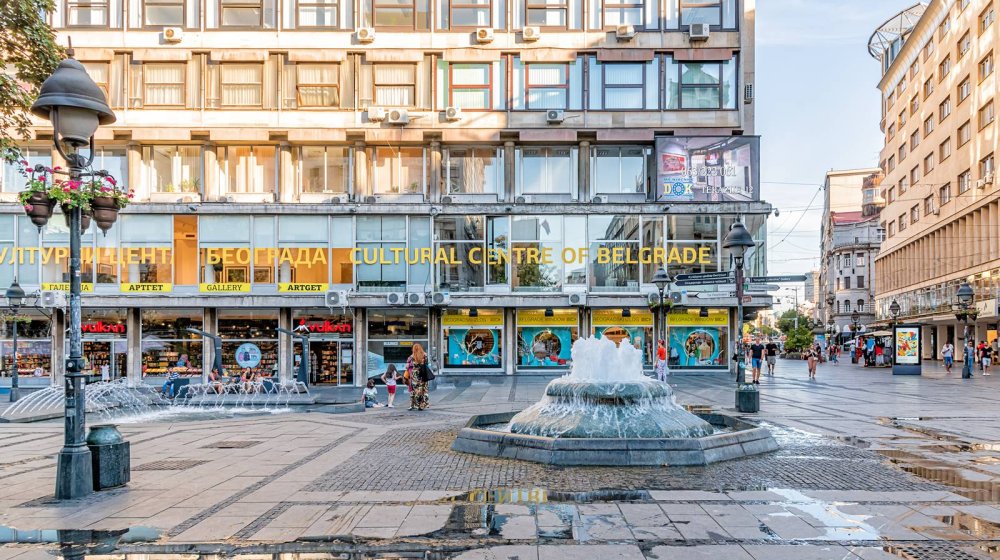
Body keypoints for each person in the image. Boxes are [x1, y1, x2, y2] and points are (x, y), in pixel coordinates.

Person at [408, 343, 430, 411]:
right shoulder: (425, 355)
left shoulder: (412, 356)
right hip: (423, 373)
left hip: (415, 374)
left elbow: (409, 363)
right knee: (423, 389)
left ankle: (414, 405)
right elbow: (427, 363)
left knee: (415, 390)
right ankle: (422, 405)